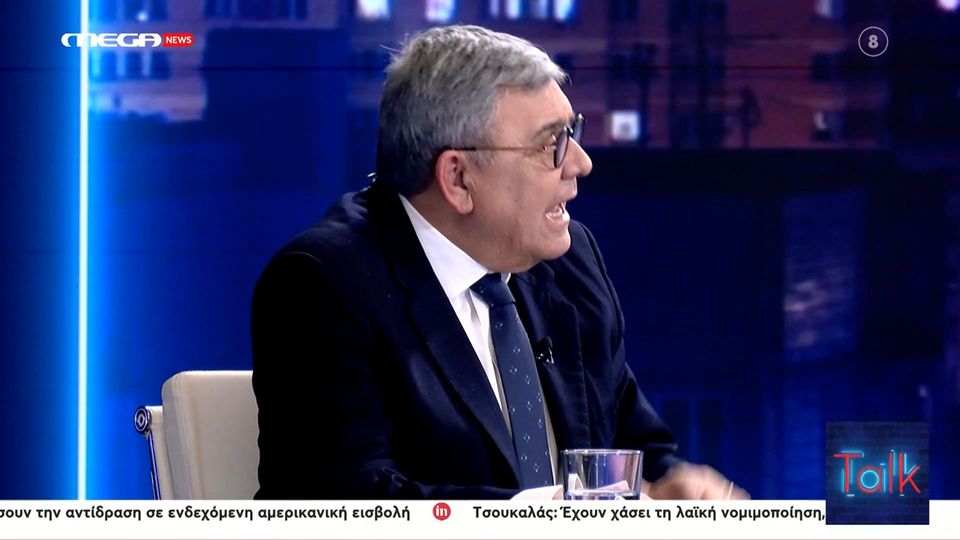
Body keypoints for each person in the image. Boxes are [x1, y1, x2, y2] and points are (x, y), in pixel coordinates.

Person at [251, 25, 746, 500]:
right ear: (458, 178)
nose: (580, 163)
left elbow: (636, 450)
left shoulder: (570, 264)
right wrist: (544, 516)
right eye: (551, 144)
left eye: (572, 133)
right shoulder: (322, 284)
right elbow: (343, 499)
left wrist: (678, 485)